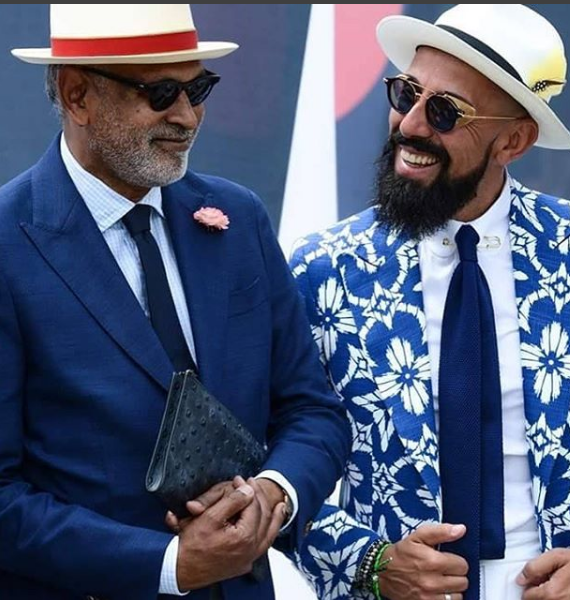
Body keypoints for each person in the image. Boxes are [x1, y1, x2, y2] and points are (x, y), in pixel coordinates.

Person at [0, 4, 351, 600]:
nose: (187, 116)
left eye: (198, 88)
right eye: (161, 92)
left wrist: (271, 495)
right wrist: (170, 565)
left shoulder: (238, 217)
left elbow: (312, 410)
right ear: (78, 95)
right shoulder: (10, 244)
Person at [290, 4, 570, 600]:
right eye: (406, 94)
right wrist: (369, 564)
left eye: (445, 111)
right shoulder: (323, 268)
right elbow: (264, 462)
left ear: (514, 141)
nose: (411, 125)